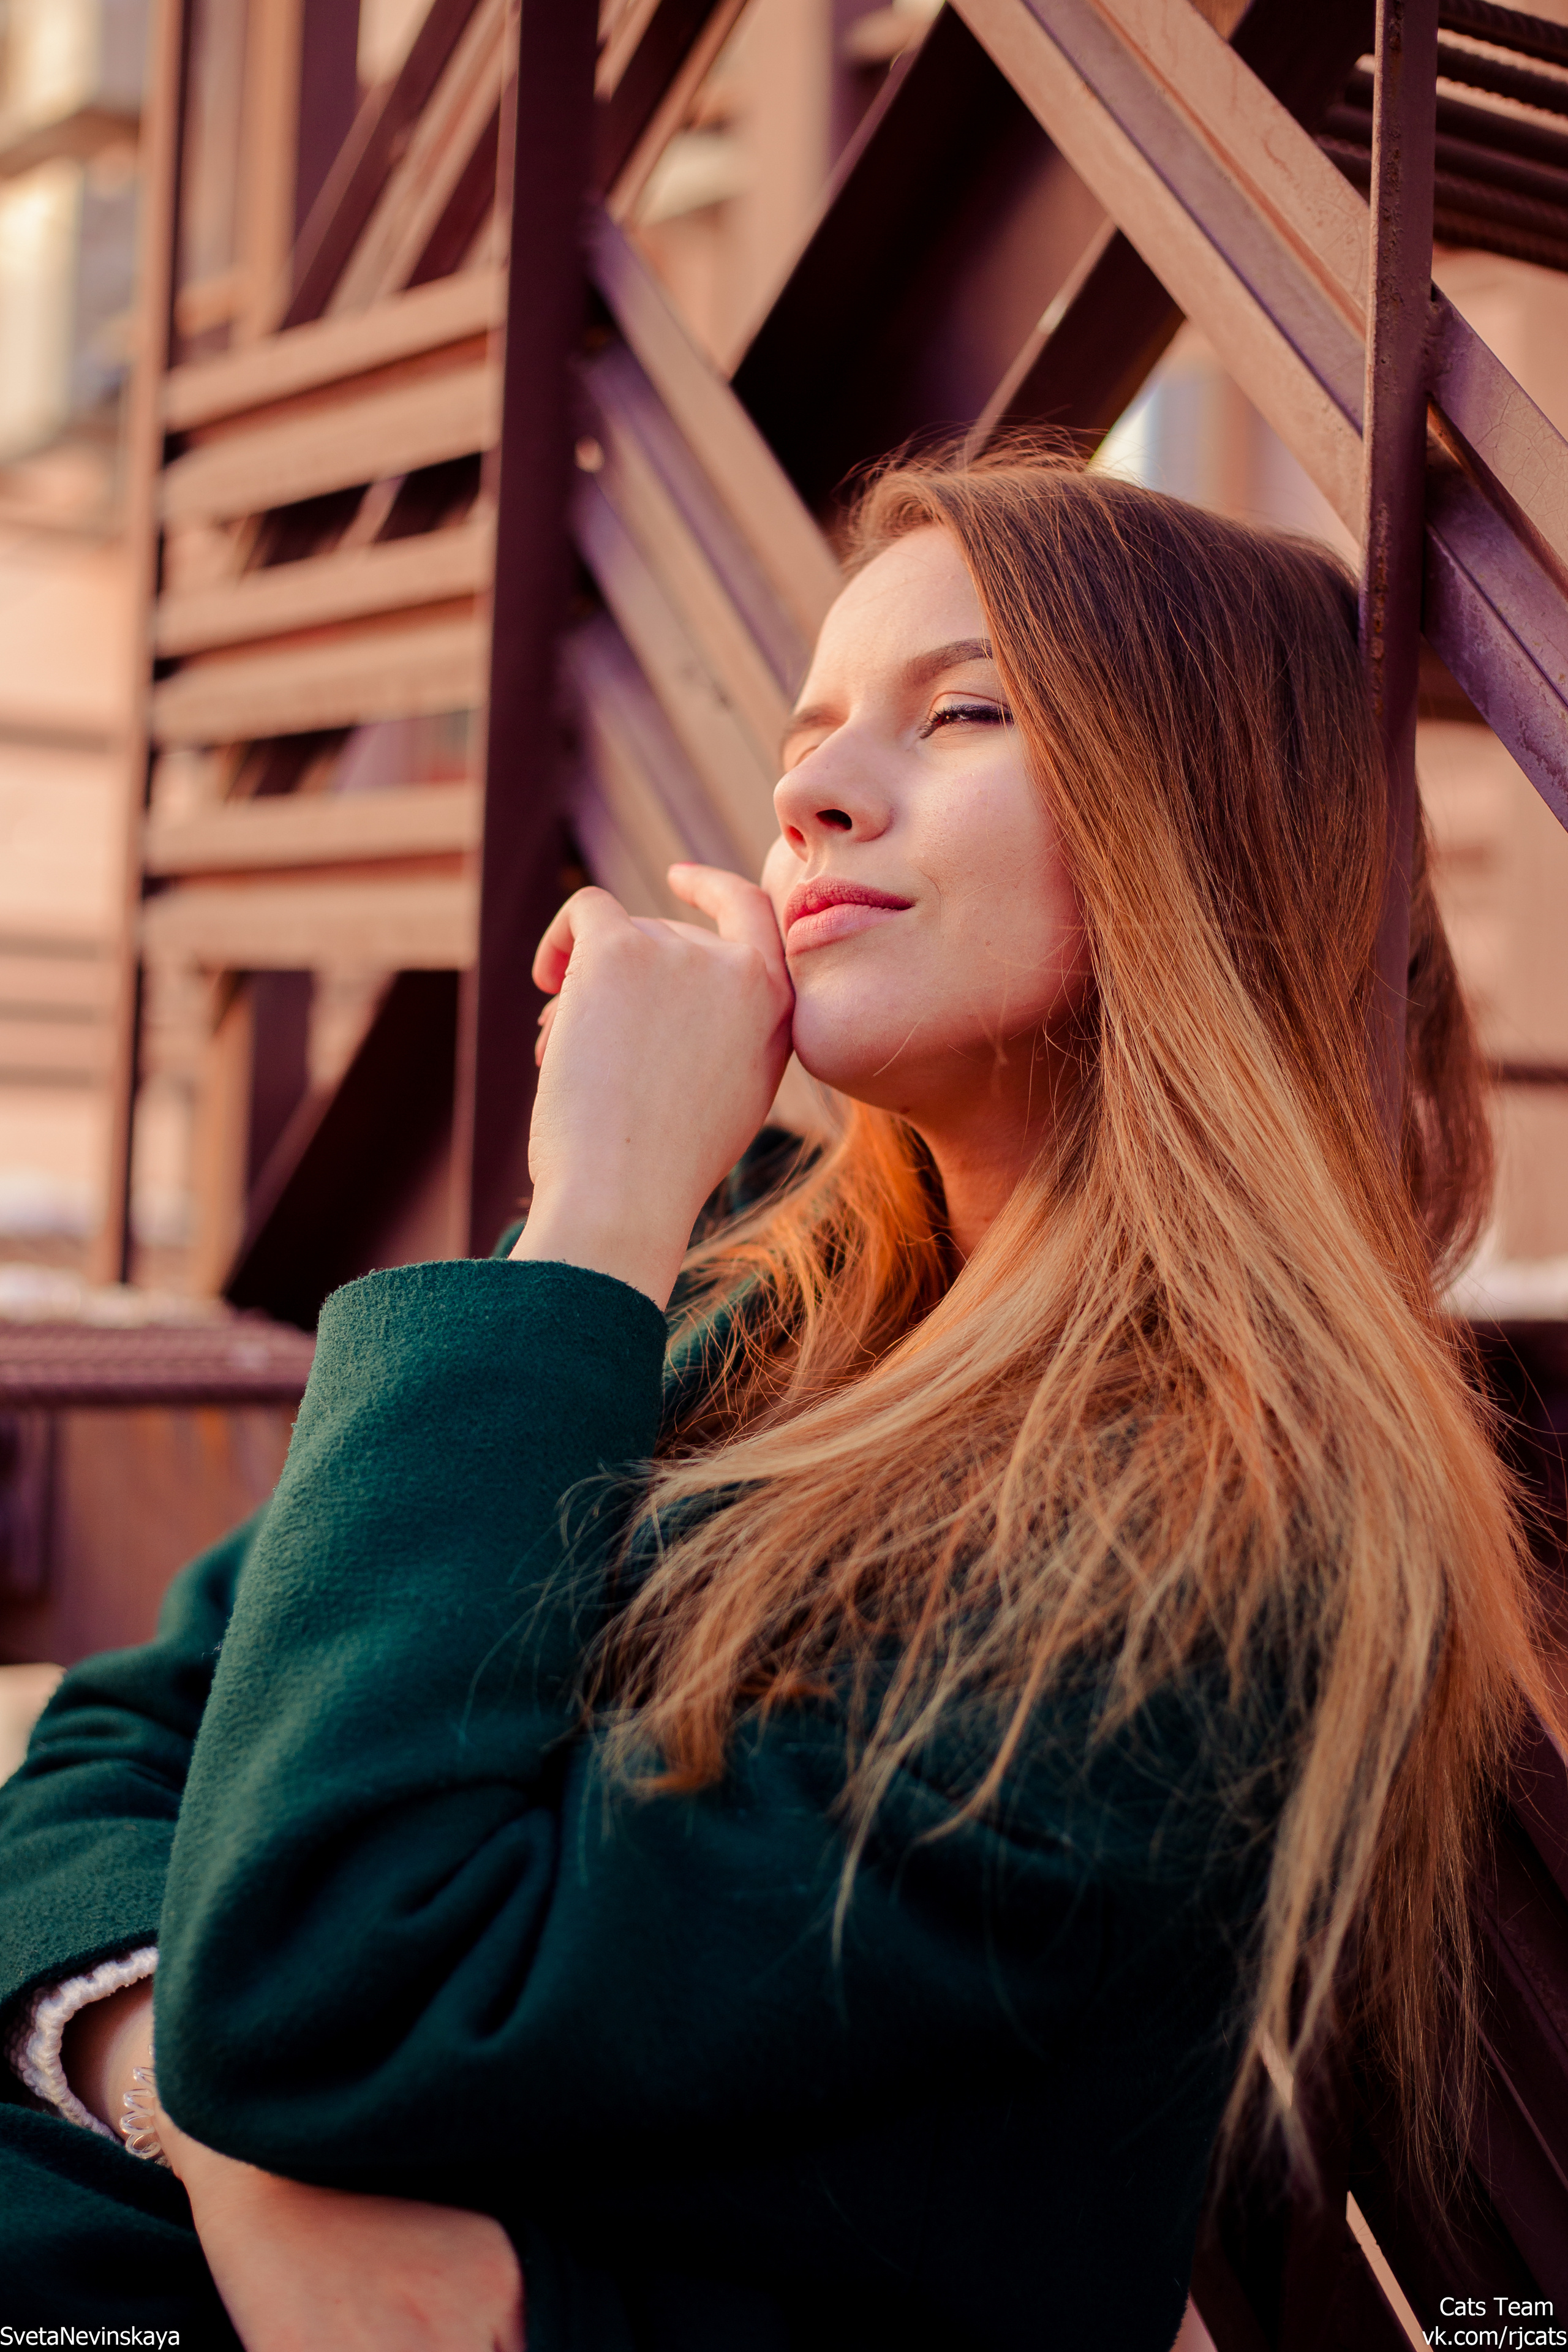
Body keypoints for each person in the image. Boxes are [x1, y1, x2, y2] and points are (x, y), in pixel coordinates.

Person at [0, 449, 1552, 2351]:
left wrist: (586, 1220)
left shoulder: (1207, 1535)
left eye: (965, 709)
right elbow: (134, 1727)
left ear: (1208, 815)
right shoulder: (734, 1286)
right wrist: (201, 2112)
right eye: (808, 733)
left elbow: (332, 1981)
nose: (808, 795)